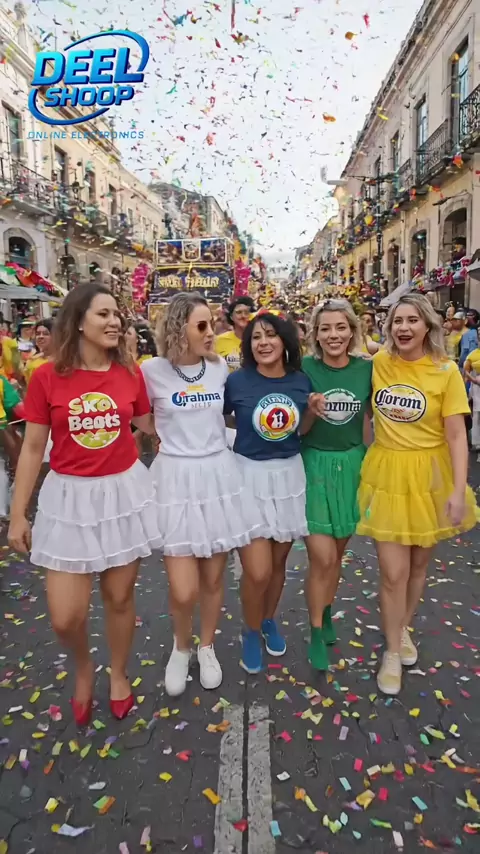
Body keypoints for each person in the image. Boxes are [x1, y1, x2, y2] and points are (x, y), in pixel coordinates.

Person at [8, 284, 161, 725]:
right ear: (77, 321)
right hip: (69, 499)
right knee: (65, 616)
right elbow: (33, 448)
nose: (114, 321)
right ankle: (83, 666)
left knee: (118, 597)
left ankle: (118, 672)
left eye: (117, 314)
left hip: (122, 494)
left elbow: (149, 423)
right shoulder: (46, 377)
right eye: (103, 314)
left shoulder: (130, 373)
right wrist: (18, 514)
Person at [357, 294, 477, 696]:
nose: (403, 328)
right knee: (393, 573)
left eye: (412, 320)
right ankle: (392, 651)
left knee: (418, 567)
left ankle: (402, 627)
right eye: (397, 321)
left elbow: (457, 435)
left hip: (430, 477)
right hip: (388, 473)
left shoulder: (445, 371)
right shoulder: (378, 363)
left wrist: (457, 490)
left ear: (428, 326)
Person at [142, 292, 257, 697]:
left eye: (212, 324)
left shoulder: (219, 367)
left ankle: (206, 646)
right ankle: (181, 647)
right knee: (183, 587)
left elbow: (231, 411)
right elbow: (138, 414)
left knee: (212, 577)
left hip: (217, 476)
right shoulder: (151, 371)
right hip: (175, 479)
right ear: (179, 329)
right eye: (202, 326)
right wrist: (162, 435)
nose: (212, 333)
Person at [224, 312, 315, 673]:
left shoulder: (300, 380)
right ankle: (249, 630)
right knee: (258, 570)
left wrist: (313, 413)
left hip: (289, 475)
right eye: (256, 337)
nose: (263, 342)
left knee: (278, 564)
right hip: (249, 475)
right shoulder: (236, 382)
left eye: (271, 335)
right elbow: (224, 417)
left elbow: (301, 429)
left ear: (284, 341)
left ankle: (268, 620)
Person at [301, 300, 372, 670]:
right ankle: (315, 630)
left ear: (352, 331)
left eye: (340, 327)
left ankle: (326, 610)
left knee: (337, 554)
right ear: (315, 334)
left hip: (352, 466)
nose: (333, 335)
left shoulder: (367, 369)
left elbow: (378, 416)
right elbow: (298, 430)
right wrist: (310, 412)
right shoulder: (304, 368)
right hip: (312, 465)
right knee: (323, 557)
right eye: (325, 328)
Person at [215, 296, 255, 373]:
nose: (243, 316)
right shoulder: (219, 340)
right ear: (231, 317)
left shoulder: (258, 341)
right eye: (239, 312)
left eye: (246, 312)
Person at [24, 319, 54, 385]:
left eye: (46, 334)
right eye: (38, 334)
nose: (41, 336)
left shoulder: (63, 361)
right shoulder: (31, 362)